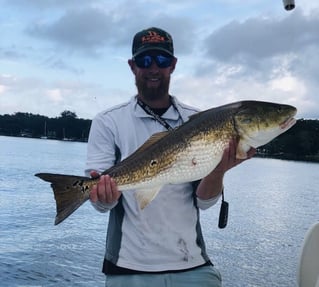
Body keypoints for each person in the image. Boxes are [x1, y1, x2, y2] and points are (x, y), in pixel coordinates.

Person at [85, 27, 255, 287]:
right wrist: (103, 196)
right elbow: (101, 205)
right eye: (145, 60)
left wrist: (218, 170)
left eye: (162, 60)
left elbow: (205, 203)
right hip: (128, 268)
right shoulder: (109, 122)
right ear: (132, 66)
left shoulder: (199, 121)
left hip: (193, 265)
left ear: (173, 65)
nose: (153, 68)